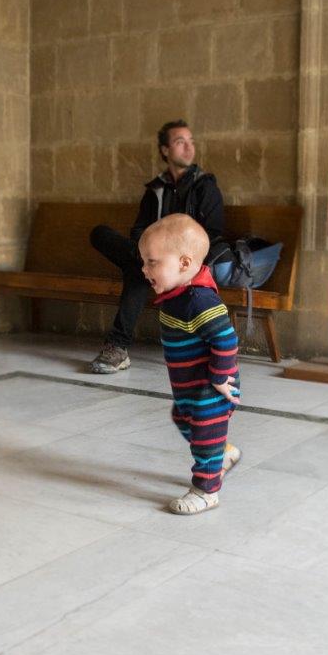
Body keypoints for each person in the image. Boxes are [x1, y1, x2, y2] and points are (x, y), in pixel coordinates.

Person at [88, 120, 224, 374]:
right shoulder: (156, 190)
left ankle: (118, 346)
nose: (188, 148)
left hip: (183, 263)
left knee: (139, 271)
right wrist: (148, 256)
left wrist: (164, 257)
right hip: (149, 257)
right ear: (164, 150)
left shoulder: (205, 187)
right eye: (180, 142)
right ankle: (144, 262)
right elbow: (139, 229)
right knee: (101, 234)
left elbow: (211, 235)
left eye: (190, 141)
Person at [138, 213, 241, 515]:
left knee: (205, 435)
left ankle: (206, 490)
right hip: (191, 386)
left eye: (152, 262)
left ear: (184, 263)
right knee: (184, 418)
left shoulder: (199, 300)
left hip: (212, 386)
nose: (145, 270)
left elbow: (226, 340)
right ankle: (222, 453)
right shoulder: (177, 295)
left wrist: (221, 378)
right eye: (144, 262)